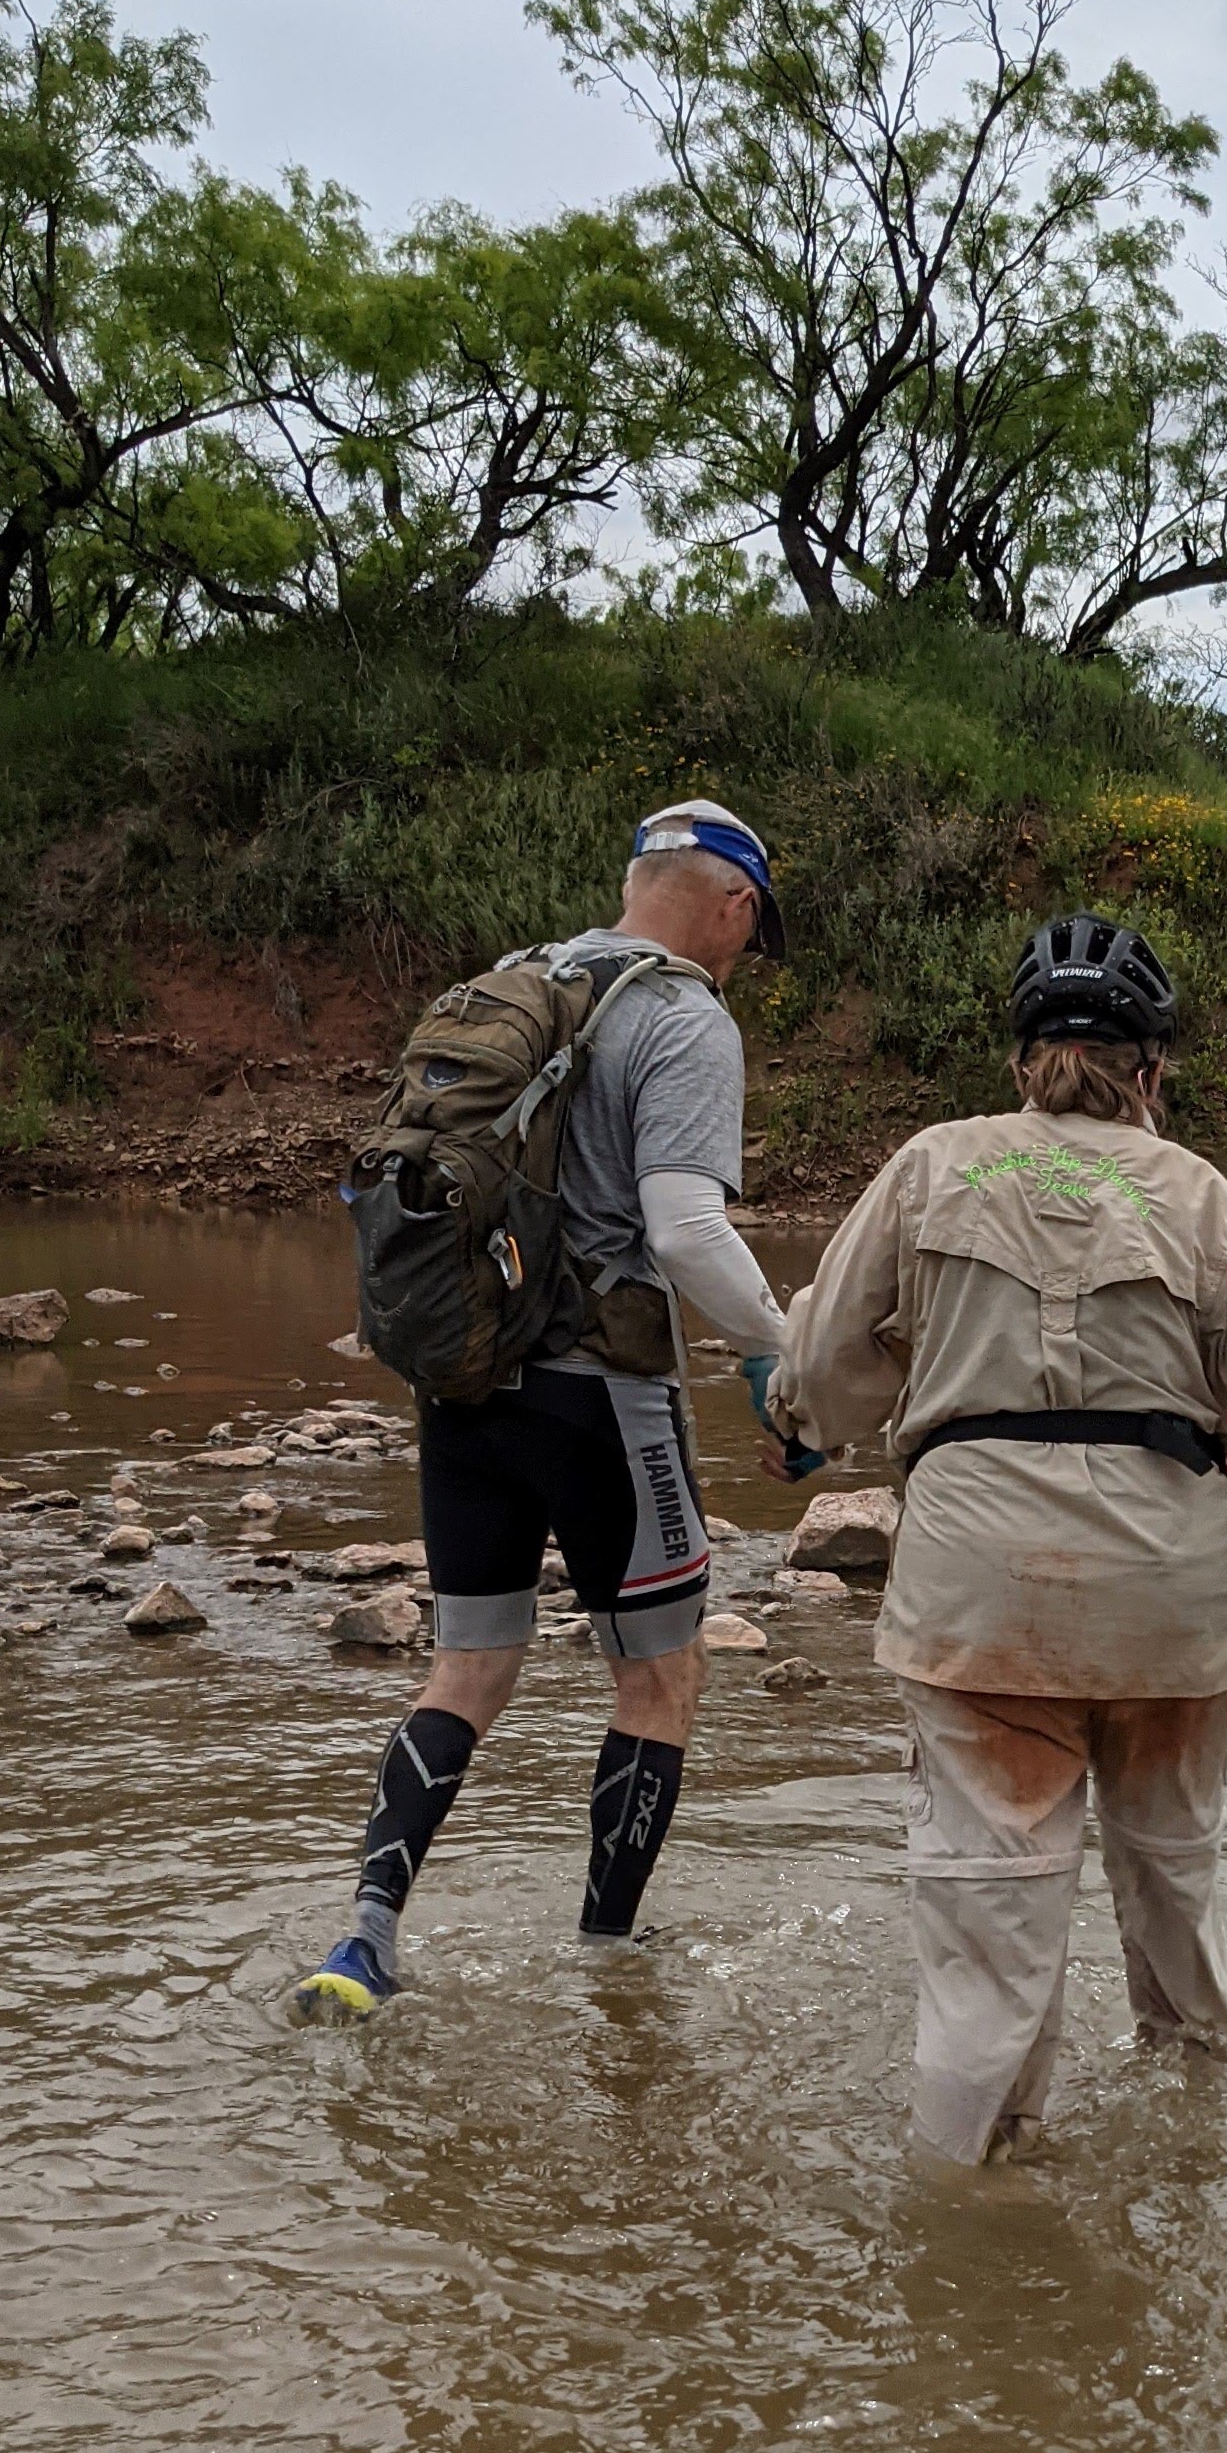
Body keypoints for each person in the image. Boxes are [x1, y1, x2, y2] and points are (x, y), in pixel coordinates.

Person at [766, 909, 1227, 2164]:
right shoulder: (1199, 1195)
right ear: (1153, 1069)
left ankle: (975, 2214)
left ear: (1020, 1061)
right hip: (1171, 1604)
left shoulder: (931, 1167)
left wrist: (797, 1418)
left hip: (981, 1599)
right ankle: (1206, 2178)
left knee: (991, 1948)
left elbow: (823, 1375)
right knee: (1175, 1897)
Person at [291, 799, 795, 2022]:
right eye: (752, 928)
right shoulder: (682, 1015)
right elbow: (686, 1231)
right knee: (661, 1679)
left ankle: (365, 1939)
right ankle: (611, 1964)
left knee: (468, 1668)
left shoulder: (517, 984)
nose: (745, 950)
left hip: (465, 1380)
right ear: (734, 904)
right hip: (602, 1394)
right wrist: (776, 1349)